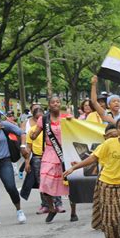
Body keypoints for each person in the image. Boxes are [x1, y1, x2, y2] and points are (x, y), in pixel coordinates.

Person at [30, 95, 78, 223]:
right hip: (50, 152)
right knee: (45, 181)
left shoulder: (66, 118)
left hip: (66, 152)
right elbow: (35, 135)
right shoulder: (43, 119)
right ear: (49, 105)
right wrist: (31, 135)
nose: (56, 104)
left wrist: (73, 120)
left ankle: (73, 212)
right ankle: (51, 208)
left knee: (70, 182)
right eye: (53, 102)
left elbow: (76, 131)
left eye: (58, 102)